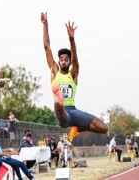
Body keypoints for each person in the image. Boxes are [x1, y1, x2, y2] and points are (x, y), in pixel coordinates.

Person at [41, 12, 108, 142]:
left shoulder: (73, 74)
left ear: (70, 62)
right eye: (61, 59)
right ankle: (59, 101)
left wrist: (71, 39)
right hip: (62, 114)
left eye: (67, 59)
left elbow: (76, 58)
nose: (64, 61)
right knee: (58, 103)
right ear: (59, 61)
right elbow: (46, 47)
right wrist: (45, 24)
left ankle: (79, 128)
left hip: (73, 111)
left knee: (104, 128)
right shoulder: (55, 71)